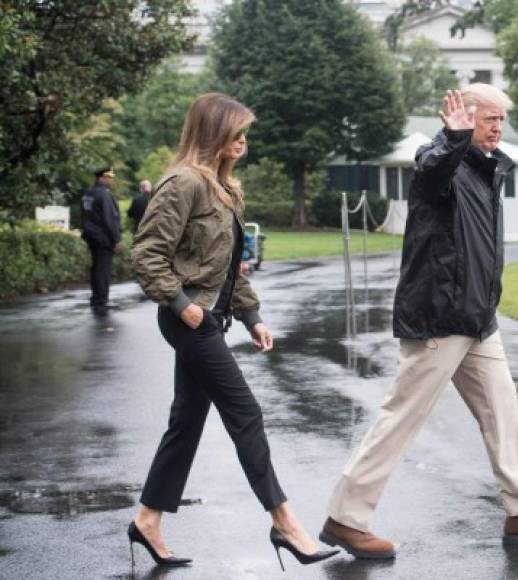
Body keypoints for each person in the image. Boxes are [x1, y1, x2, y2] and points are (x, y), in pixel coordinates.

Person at [320, 85, 518, 559]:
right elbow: (432, 170)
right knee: (401, 418)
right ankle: (345, 519)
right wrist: (453, 138)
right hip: (439, 318)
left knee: (504, 413)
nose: (497, 127)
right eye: (488, 119)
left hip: (479, 319)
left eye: (501, 120)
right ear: (464, 118)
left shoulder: (487, 170)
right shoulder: (440, 161)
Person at [128, 93, 338, 569]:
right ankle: (285, 523)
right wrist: (183, 307)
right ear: (213, 134)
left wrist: (252, 316)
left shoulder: (226, 188)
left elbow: (229, 268)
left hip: (210, 320)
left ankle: (147, 519)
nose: (243, 142)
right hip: (190, 322)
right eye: (235, 133)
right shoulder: (183, 184)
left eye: (245, 134)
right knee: (246, 413)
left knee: (185, 424)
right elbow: (146, 254)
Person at [80, 167, 121, 312]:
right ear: (102, 178)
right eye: (109, 177)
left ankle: (95, 297)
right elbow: (110, 219)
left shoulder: (88, 192)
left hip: (91, 236)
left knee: (96, 267)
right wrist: (116, 239)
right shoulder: (104, 194)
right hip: (103, 237)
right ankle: (102, 299)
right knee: (103, 269)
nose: (111, 180)